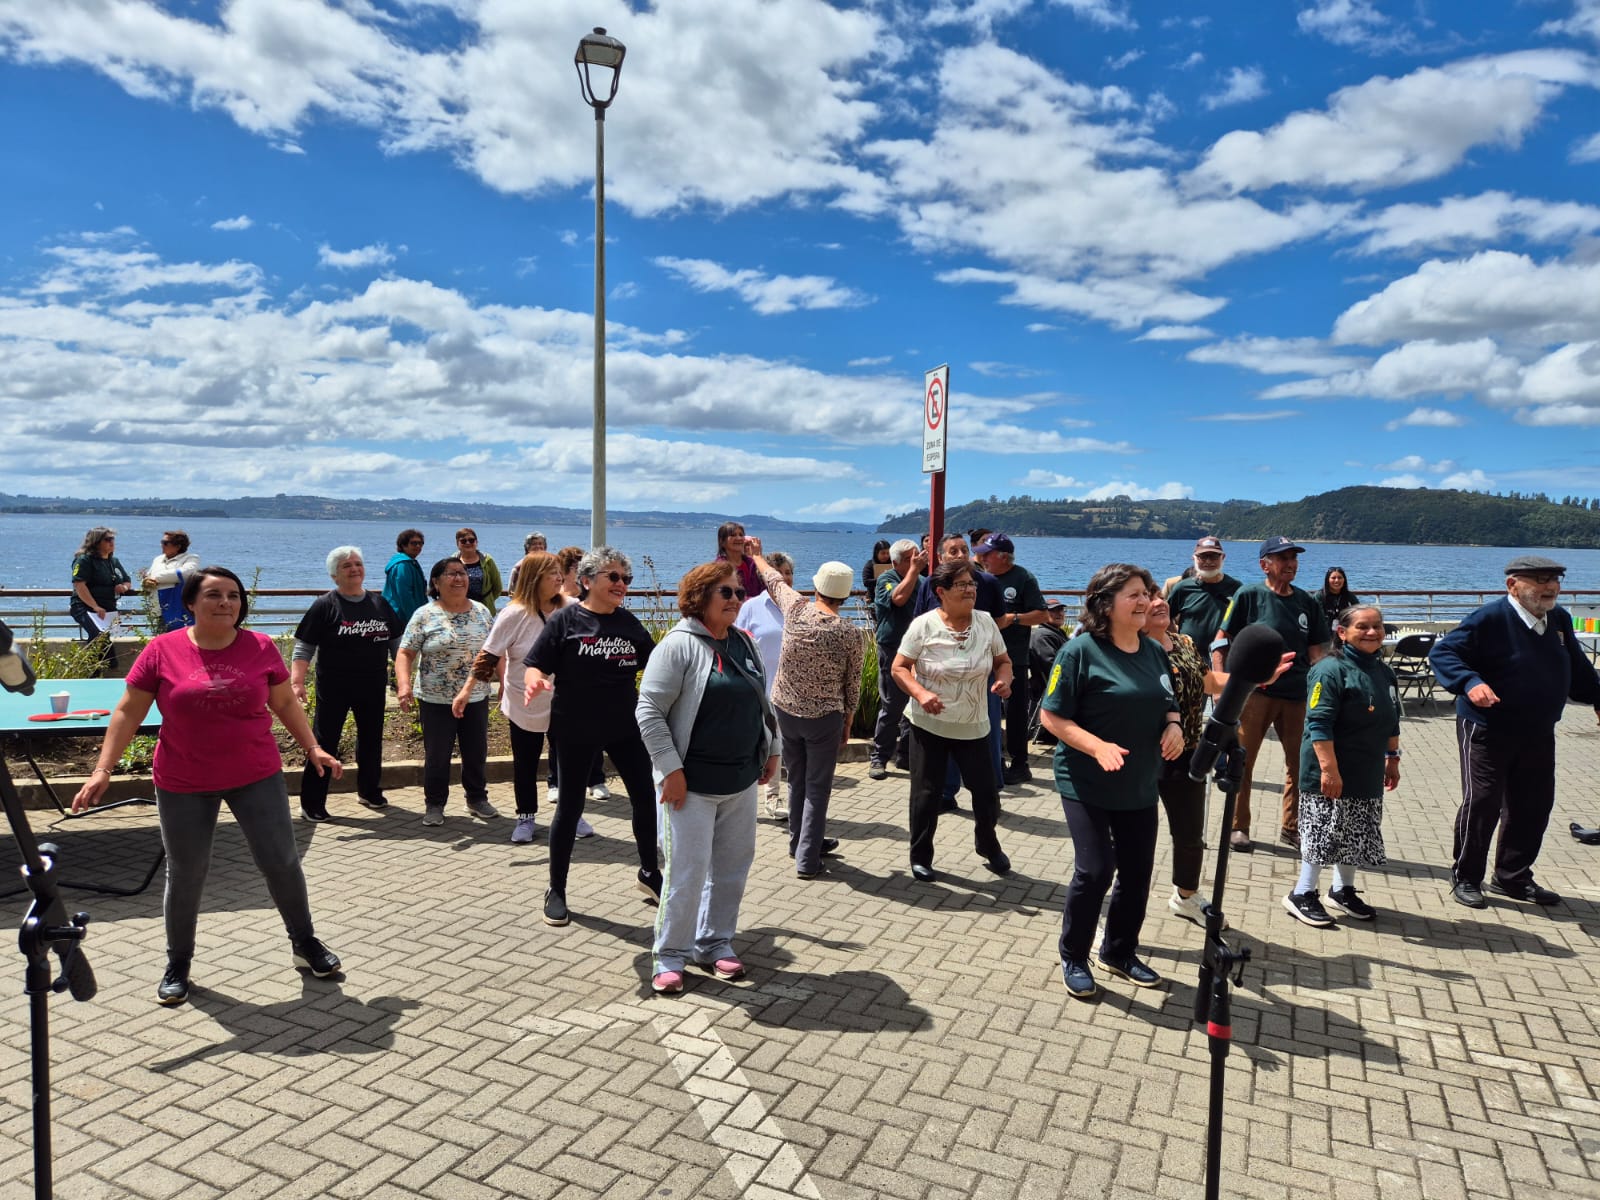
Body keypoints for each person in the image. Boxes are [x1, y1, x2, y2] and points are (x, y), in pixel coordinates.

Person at [70, 566, 342, 1005]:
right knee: (187, 872)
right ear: (191, 603)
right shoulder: (162, 650)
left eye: (233, 595)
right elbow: (128, 711)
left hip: (255, 774)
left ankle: (304, 942)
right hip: (184, 778)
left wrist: (313, 747)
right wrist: (103, 769)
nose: (226, 603)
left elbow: (284, 702)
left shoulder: (260, 646)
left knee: (281, 862)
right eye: (214, 595)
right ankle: (178, 961)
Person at [1041, 563, 1183, 999]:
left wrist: (1174, 725)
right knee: (1096, 869)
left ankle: (1119, 952)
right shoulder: (1079, 651)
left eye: (1147, 593)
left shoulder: (1154, 650)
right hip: (1085, 780)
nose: (1146, 602)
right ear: (1105, 604)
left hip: (1139, 781)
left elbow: (1168, 699)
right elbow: (1052, 716)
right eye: (1133, 594)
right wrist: (1097, 746)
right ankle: (1074, 956)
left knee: (1138, 873)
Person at [636, 562, 778, 994]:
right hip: (690, 786)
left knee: (732, 869)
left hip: (740, 781)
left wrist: (772, 750)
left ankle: (714, 942)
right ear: (700, 597)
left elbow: (762, 701)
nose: (736, 600)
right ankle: (669, 955)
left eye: (739, 593)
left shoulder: (744, 642)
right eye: (726, 592)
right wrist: (671, 770)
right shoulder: (677, 646)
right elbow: (649, 712)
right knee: (686, 874)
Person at [1429, 555, 1600, 909]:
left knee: (1533, 805)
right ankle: (1466, 876)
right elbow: (1444, 653)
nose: (1550, 587)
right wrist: (1470, 682)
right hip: (1488, 728)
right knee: (1483, 802)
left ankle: (1512, 877)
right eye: (1540, 580)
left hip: (1538, 730)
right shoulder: (1489, 618)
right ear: (1512, 585)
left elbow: (1578, 667)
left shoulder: (1558, 619)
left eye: (1555, 580)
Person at [523, 547, 661, 926]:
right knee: (570, 808)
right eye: (613, 577)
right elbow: (535, 665)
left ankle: (649, 873)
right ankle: (557, 889)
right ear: (586, 581)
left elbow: (659, 665)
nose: (621, 584)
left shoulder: (629, 623)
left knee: (645, 799)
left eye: (626, 578)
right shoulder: (566, 620)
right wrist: (534, 683)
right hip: (575, 727)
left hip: (625, 726)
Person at [891, 558, 1013, 883]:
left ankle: (987, 844)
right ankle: (920, 856)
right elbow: (899, 667)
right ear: (941, 592)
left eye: (972, 584)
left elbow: (1003, 661)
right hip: (928, 724)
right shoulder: (923, 625)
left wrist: (1005, 680)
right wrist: (920, 693)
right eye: (962, 585)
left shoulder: (986, 623)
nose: (970, 590)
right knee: (926, 794)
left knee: (986, 794)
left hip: (973, 724)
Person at [748, 540, 863, 880]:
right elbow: (853, 684)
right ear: (845, 596)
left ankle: (798, 842)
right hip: (824, 718)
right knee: (817, 787)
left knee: (797, 780)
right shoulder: (850, 634)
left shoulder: (796, 609)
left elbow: (773, 580)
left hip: (786, 710)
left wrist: (756, 555)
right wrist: (848, 721)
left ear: (816, 587)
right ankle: (808, 860)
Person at [1284, 604, 1401, 927]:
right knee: (1322, 832)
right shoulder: (1329, 670)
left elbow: (1392, 720)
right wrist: (1329, 770)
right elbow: (1318, 724)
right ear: (1342, 632)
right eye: (1362, 626)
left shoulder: (1384, 672)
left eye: (1377, 626)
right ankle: (1302, 893)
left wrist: (1393, 758)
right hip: (1329, 769)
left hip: (1366, 769)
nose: (1372, 632)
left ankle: (1342, 890)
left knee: (1354, 832)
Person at [1214, 536, 1330, 852]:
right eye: (1282, 558)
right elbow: (1221, 640)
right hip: (1255, 694)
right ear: (1265, 565)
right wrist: (1222, 685)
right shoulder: (1249, 595)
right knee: (1242, 761)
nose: (1290, 563)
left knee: (1300, 764)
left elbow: (1317, 653)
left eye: (1294, 558)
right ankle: (1238, 826)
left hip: (1297, 696)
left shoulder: (1307, 602)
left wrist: (1324, 691)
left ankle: (1292, 827)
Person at [290, 546, 401, 820]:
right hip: (334, 686)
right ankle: (312, 803)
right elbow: (304, 647)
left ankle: (369, 791)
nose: (354, 569)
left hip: (372, 685)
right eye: (346, 565)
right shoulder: (325, 605)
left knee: (371, 739)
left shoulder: (379, 603)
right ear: (334, 575)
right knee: (324, 741)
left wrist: (403, 678)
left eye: (358, 564)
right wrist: (297, 681)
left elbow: (396, 644)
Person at [395, 557, 496, 826]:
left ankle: (477, 798)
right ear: (436, 582)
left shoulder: (481, 612)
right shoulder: (424, 615)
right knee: (437, 755)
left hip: (475, 695)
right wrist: (403, 685)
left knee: (476, 752)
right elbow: (405, 653)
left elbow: (494, 652)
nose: (459, 578)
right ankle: (435, 804)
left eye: (462, 573)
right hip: (435, 698)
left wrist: (506, 683)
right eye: (451, 574)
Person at [472, 552, 565, 844]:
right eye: (552, 573)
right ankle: (526, 817)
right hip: (523, 700)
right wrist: (466, 692)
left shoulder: (569, 608)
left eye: (560, 572)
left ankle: (571, 814)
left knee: (568, 761)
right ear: (535, 578)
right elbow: (488, 655)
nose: (559, 578)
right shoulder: (513, 614)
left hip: (563, 700)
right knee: (525, 762)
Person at [913, 534, 1006, 807]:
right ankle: (946, 793)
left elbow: (999, 620)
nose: (960, 554)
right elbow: (918, 622)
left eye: (964, 549)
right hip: (940, 677)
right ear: (940, 557)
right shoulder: (930, 584)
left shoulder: (988, 582)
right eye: (953, 551)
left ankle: (990, 794)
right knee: (944, 732)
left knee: (986, 733)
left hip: (980, 675)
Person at [972, 533, 1047, 784]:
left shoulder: (1023, 578)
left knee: (1014, 714)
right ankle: (993, 760)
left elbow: (1042, 615)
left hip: (1014, 657)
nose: (982, 558)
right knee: (986, 710)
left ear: (1003, 557)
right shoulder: (980, 578)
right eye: (980, 554)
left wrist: (1013, 619)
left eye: (987, 554)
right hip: (982, 657)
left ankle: (1020, 763)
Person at [546, 544, 608, 811]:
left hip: (591, 680)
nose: (581, 570)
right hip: (559, 680)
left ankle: (596, 779)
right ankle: (555, 782)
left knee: (594, 730)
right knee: (557, 734)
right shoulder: (556, 600)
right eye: (576, 566)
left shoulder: (589, 600)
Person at [735, 550, 795, 820]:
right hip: (758, 690)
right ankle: (742, 799)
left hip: (793, 692)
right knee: (754, 747)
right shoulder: (751, 607)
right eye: (778, 573)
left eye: (789, 573)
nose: (785, 578)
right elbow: (736, 644)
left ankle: (778, 799)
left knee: (786, 748)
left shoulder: (799, 606)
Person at [868, 539, 924, 780]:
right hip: (892, 649)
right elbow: (898, 598)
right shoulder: (886, 579)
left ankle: (906, 756)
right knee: (892, 705)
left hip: (918, 650)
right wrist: (914, 571)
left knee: (915, 703)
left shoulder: (922, 581)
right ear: (896, 562)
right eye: (911, 559)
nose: (917, 561)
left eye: (918, 557)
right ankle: (879, 758)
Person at [69, 525, 133, 676]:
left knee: (102, 636)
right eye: (107, 539)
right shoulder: (84, 560)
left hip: (107, 608)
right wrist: (95, 606)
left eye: (113, 539)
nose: (112, 542)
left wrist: (123, 587)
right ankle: (97, 669)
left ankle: (99, 669)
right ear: (96, 542)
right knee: (98, 634)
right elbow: (79, 585)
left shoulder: (113, 561)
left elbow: (127, 580)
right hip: (84, 607)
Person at [1166, 537, 1239, 653]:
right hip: (1189, 657)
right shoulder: (1182, 588)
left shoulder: (1236, 588)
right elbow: (1165, 616)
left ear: (1223, 557)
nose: (1208, 561)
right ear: (1194, 558)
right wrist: (1176, 640)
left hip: (1225, 656)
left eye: (1214, 556)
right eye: (1203, 556)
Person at [140, 530, 200, 632]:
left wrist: (156, 578)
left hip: (179, 608)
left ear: (178, 546)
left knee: (182, 637)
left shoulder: (191, 558)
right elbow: (148, 576)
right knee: (161, 637)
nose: (161, 545)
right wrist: (145, 582)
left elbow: (186, 573)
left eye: (165, 543)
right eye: (162, 542)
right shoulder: (158, 559)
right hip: (158, 609)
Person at [1029, 601, 1069, 747]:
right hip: (1052, 685)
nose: (1059, 613)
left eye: (1061, 610)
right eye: (1053, 610)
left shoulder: (1055, 633)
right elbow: (1051, 666)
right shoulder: (1043, 636)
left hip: (1057, 682)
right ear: (1043, 614)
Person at [383, 529, 428, 631]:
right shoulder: (403, 565)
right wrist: (415, 620)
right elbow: (404, 594)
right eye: (414, 543)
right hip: (401, 617)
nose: (418, 546)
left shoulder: (410, 563)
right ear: (403, 545)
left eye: (420, 543)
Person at [454, 527, 503, 611]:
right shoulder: (452, 562)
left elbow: (497, 587)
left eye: (471, 540)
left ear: (476, 542)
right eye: (463, 541)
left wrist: (488, 600)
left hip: (484, 609)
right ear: (457, 544)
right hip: (459, 608)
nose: (468, 543)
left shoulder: (487, 560)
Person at [716, 521, 765, 600]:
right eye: (733, 535)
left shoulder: (753, 564)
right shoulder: (720, 568)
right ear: (722, 542)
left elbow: (764, 587)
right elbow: (728, 596)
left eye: (741, 535)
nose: (738, 538)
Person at [1313, 566, 1360, 631]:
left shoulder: (1349, 595)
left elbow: (1359, 612)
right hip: (1324, 632)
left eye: (1340, 578)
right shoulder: (1319, 596)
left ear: (1344, 580)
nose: (1337, 580)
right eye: (1333, 578)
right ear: (1327, 580)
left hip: (1344, 631)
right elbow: (1316, 618)